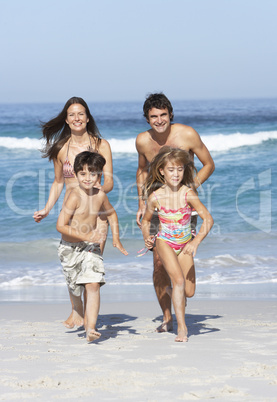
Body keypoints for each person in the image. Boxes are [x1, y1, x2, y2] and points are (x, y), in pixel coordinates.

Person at [136, 93, 215, 332]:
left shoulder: (187, 134)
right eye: (153, 117)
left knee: (185, 282)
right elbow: (141, 171)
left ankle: (180, 291)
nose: (159, 120)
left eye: (163, 115)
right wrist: (142, 202)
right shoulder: (142, 141)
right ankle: (167, 316)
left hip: (183, 209)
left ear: (170, 114)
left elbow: (209, 164)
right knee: (158, 263)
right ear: (147, 119)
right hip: (156, 203)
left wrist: (190, 187)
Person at [33, 96, 113, 329]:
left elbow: (109, 182)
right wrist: (47, 209)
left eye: (81, 114)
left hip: (97, 218)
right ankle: (77, 310)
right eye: (72, 115)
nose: (77, 118)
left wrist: (95, 188)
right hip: (72, 217)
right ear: (67, 120)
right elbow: (58, 182)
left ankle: (90, 321)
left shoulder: (102, 145)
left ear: (88, 118)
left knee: (92, 271)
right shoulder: (61, 148)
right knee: (72, 270)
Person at [141, 147, 213, 342]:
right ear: (162, 171)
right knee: (179, 281)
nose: (176, 174)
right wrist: (148, 237)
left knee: (189, 291)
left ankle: (175, 294)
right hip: (164, 241)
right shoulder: (155, 197)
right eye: (171, 170)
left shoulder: (188, 193)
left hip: (185, 242)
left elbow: (208, 219)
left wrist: (196, 242)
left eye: (180, 169)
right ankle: (182, 328)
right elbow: (146, 221)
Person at [56, 151, 128, 342]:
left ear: (99, 175)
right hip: (70, 248)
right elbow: (60, 226)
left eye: (93, 173)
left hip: (90, 246)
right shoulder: (74, 196)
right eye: (83, 174)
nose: (88, 178)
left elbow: (111, 214)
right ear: (76, 174)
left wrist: (116, 238)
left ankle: (91, 328)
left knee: (93, 284)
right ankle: (77, 309)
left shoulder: (100, 195)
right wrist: (85, 234)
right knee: (74, 287)